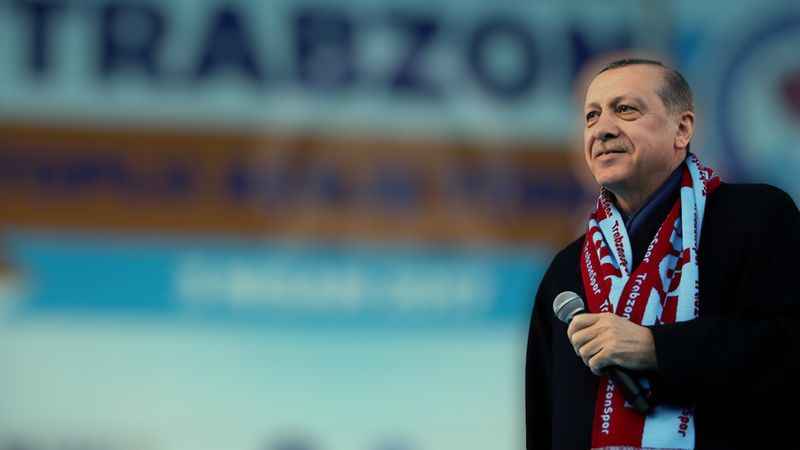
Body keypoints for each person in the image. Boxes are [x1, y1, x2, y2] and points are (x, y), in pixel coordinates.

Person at [525, 58, 800, 450]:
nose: (602, 129)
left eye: (625, 109)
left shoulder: (756, 217)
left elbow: (785, 349)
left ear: (682, 129)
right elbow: (544, 421)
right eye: (591, 116)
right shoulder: (566, 270)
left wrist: (656, 348)